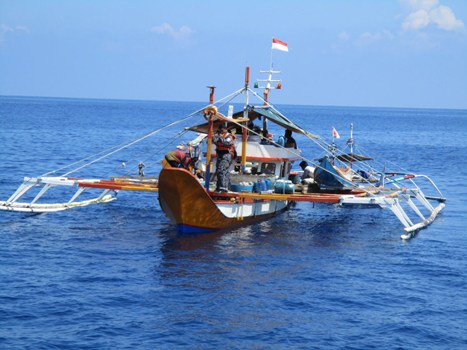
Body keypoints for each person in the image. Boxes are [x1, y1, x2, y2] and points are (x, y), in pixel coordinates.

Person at [213, 125, 236, 193]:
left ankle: (223, 187)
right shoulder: (217, 135)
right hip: (219, 154)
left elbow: (226, 143)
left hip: (226, 155)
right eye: (220, 130)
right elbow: (214, 140)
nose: (221, 132)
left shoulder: (229, 136)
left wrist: (220, 137)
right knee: (218, 170)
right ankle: (219, 186)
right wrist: (217, 136)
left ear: (225, 130)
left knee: (222, 170)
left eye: (222, 130)